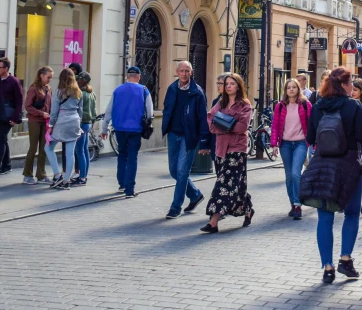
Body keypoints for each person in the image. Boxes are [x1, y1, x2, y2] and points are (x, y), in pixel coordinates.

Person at [300, 67, 362, 284]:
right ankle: (345, 259)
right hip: (349, 164)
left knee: (325, 217)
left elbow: (311, 136)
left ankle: (327, 267)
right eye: (351, 83)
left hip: (323, 163)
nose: (352, 87)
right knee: (351, 213)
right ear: (345, 85)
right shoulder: (353, 105)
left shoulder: (319, 106)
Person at [203, 73, 254, 233]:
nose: (228, 86)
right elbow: (211, 122)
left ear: (238, 86)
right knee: (236, 185)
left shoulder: (244, 105)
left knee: (223, 185)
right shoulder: (220, 102)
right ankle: (247, 209)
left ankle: (213, 221)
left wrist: (223, 124)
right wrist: (228, 124)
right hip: (221, 149)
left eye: (232, 84)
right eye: (227, 84)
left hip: (237, 150)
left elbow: (242, 127)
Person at [161, 61, 211, 219]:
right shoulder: (172, 88)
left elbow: (203, 117)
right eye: (181, 71)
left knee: (182, 172)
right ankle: (195, 195)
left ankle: (175, 207)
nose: (184, 73)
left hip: (189, 136)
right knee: (174, 171)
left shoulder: (197, 92)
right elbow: (167, 108)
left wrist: (204, 140)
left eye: (187, 71)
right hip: (173, 135)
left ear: (191, 72)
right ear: (177, 72)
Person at [102, 66, 153, 198]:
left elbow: (109, 110)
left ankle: (122, 184)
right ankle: (129, 189)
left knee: (122, 155)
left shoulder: (118, 90)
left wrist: (104, 128)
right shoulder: (143, 90)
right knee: (132, 158)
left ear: (127, 76)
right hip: (135, 129)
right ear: (139, 77)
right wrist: (146, 123)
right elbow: (150, 111)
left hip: (119, 128)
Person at [271, 78, 312, 220]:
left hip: (301, 143)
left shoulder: (306, 105)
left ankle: (298, 204)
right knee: (288, 177)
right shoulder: (280, 106)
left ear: (298, 89)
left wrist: (314, 143)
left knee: (296, 174)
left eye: (294, 87)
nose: (291, 89)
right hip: (285, 144)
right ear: (285, 90)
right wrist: (274, 144)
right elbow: (275, 125)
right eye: (289, 87)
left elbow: (312, 124)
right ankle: (293, 204)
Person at [43, 68, 84, 190]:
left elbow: (54, 112)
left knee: (48, 147)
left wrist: (50, 126)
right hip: (75, 121)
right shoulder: (78, 92)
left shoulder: (58, 92)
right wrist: (78, 124)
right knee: (70, 152)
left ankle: (57, 175)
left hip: (62, 121)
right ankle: (66, 180)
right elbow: (81, 111)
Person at [22, 66, 52, 184]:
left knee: (44, 148)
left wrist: (50, 117)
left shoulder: (48, 88)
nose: (49, 79)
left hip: (45, 121)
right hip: (34, 121)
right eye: (48, 77)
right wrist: (41, 113)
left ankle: (41, 174)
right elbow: (28, 106)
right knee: (33, 148)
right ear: (41, 75)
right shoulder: (33, 89)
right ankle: (27, 174)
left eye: (51, 77)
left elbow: (50, 105)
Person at [72, 72, 96, 185]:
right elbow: (94, 111)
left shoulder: (81, 93)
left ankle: (82, 178)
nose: (77, 81)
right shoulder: (91, 93)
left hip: (81, 123)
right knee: (85, 149)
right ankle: (84, 175)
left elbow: (77, 109)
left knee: (79, 150)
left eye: (79, 79)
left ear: (84, 81)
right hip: (88, 123)